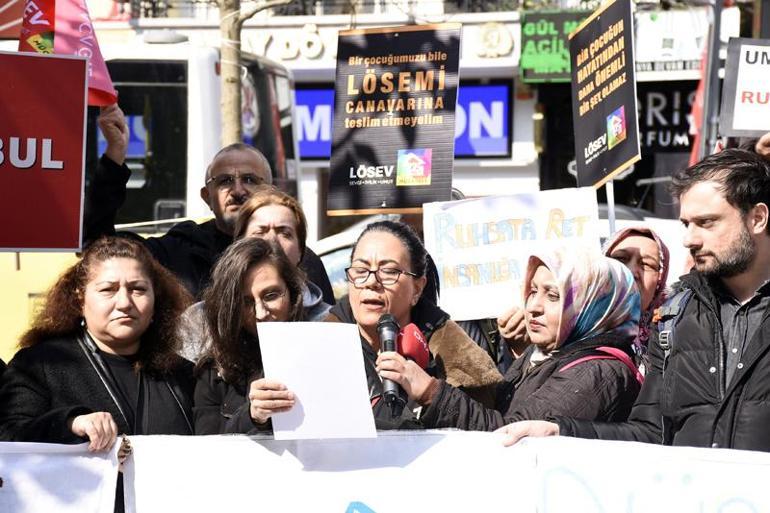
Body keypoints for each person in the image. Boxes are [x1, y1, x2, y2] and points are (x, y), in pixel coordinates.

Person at [498, 149, 770, 451]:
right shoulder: (675, 317)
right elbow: (650, 434)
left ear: (757, 218)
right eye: (686, 224)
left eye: (707, 223)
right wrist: (561, 431)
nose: (689, 239)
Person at [0, 237, 194, 511]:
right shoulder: (39, 365)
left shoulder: (184, 374)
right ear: (80, 298)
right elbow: (7, 436)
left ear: (155, 299)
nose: (124, 302)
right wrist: (69, 424)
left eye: (138, 289)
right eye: (108, 289)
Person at [85, 104, 334, 303]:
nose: (238, 190)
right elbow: (98, 247)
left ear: (269, 191)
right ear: (207, 197)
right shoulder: (179, 252)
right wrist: (114, 156)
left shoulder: (302, 260)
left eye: (249, 179)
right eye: (225, 181)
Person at [377, 248, 642, 431]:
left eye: (553, 296)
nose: (534, 306)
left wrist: (430, 392)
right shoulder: (544, 352)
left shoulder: (598, 371)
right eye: (533, 291)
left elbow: (511, 436)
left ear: (593, 306)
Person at [324, 220, 503, 428]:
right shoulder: (316, 348)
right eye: (361, 270)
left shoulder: (458, 360)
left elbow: (494, 429)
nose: (371, 282)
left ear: (417, 289)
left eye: (389, 271)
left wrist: (432, 394)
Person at [178, 188, 331, 360]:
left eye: (284, 232)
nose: (272, 240)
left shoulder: (327, 321)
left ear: (300, 251)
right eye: (260, 231)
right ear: (238, 244)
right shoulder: (200, 321)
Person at [193, 237, 305, 434]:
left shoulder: (321, 350)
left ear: (292, 292)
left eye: (271, 295)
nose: (261, 313)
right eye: (246, 302)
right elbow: (208, 451)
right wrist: (253, 417)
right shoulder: (214, 372)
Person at [603, 226, 670, 371]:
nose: (632, 271)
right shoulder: (569, 330)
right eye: (621, 259)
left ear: (660, 280)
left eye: (646, 264)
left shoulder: (673, 342)